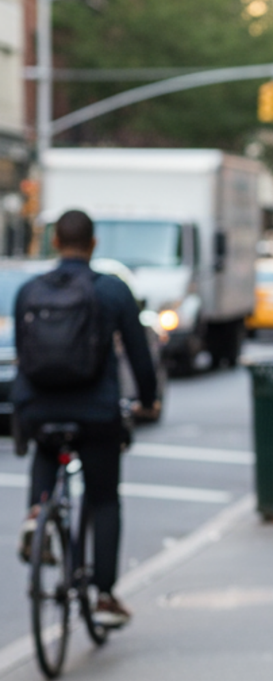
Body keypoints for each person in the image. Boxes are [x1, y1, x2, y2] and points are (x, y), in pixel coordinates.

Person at [14, 209, 159, 628]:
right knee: (104, 498)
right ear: (94, 245)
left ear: (55, 243)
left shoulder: (28, 291)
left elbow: (25, 357)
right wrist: (147, 401)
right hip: (96, 412)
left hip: (40, 409)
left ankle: (37, 515)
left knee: (45, 448)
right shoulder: (111, 290)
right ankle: (104, 595)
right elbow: (139, 355)